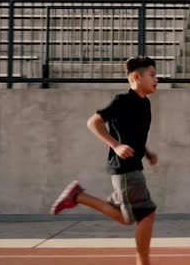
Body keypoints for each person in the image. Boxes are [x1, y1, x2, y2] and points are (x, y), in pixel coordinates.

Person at [51, 56, 159, 265]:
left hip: (131, 166)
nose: (157, 79)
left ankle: (79, 196)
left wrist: (146, 152)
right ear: (137, 77)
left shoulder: (145, 105)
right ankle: (142, 262)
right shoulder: (123, 101)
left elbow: (134, 135)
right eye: (152, 75)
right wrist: (115, 145)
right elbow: (93, 122)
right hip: (126, 168)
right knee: (146, 214)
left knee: (127, 217)